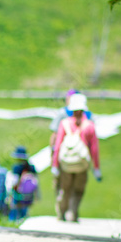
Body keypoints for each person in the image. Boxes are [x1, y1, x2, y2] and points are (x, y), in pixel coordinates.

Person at [51, 93, 101, 222]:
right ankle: (73, 213)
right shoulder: (89, 126)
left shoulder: (64, 124)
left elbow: (57, 145)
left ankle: (61, 212)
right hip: (82, 164)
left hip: (66, 164)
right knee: (78, 190)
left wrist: (55, 165)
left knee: (64, 189)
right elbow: (94, 148)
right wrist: (96, 168)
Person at [5, 146, 39, 221]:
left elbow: (14, 181)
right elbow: (36, 181)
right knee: (24, 211)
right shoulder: (31, 167)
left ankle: (14, 223)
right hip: (29, 194)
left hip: (18, 193)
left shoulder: (17, 167)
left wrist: (9, 193)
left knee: (14, 211)